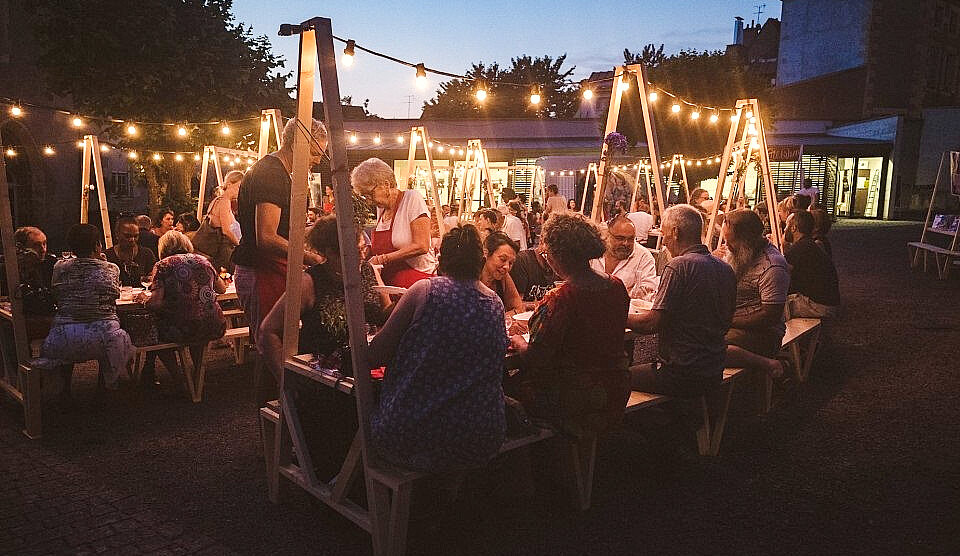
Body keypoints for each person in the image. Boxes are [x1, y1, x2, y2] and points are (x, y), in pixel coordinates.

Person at [366, 224, 508, 472]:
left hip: (415, 435)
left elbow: (375, 354)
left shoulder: (425, 291)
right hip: (480, 436)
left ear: (441, 259)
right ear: (481, 261)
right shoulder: (494, 302)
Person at [507, 214, 630, 437]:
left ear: (557, 255)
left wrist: (517, 342)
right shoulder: (616, 286)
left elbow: (537, 357)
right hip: (615, 391)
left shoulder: (561, 298)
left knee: (507, 390)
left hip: (576, 399)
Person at [232, 117, 327, 342]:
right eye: (315, 153)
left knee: (279, 341)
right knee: (272, 341)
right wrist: (311, 258)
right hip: (261, 271)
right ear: (296, 145)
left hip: (269, 268)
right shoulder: (271, 174)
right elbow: (266, 237)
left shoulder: (279, 171)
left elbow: (285, 231)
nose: (318, 160)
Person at [259, 214, 387, 379]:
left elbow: (385, 313)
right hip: (328, 374)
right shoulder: (309, 282)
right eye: (355, 251)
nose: (362, 256)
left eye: (363, 248)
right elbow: (268, 331)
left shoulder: (369, 270)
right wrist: (286, 382)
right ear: (331, 253)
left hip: (369, 365)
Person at [627, 205, 736, 396]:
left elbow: (652, 323)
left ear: (675, 232)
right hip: (713, 368)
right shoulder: (725, 268)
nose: (664, 242)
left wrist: (615, 314)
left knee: (615, 377)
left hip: (682, 372)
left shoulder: (679, 265)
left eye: (664, 234)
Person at [41, 224, 134, 402]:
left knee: (72, 334)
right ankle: (104, 388)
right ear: (97, 245)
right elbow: (115, 293)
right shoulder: (112, 268)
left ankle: (64, 389)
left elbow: (56, 290)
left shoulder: (60, 267)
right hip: (103, 339)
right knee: (115, 334)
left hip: (63, 339)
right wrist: (104, 262)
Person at [141, 230, 226, 391]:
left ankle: (179, 378)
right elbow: (221, 289)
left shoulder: (163, 265)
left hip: (182, 328)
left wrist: (144, 300)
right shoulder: (204, 261)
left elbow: (156, 304)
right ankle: (197, 377)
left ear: (163, 248)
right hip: (213, 325)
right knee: (196, 324)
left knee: (157, 337)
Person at [718, 209, 789, 378]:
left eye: (731, 242)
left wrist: (728, 322)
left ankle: (767, 364)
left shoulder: (772, 266)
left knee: (705, 349)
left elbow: (770, 316)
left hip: (763, 334)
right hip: (734, 325)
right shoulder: (741, 253)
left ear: (746, 240)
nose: (727, 247)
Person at [352, 158, 436, 288]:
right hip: (388, 281)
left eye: (370, 194)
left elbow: (422, 246)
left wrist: (382, 259)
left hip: (416, 281)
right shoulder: (381, 208)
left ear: (385, 184)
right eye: (365, 196)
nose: (368, 201)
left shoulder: (412, 198)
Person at [783, 211, 840, 318]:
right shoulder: (808, 244)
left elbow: (781, 278)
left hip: (820, 307)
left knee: (775, 305)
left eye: (787, 225)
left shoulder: (799, 248)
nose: (785, 229)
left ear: (794, 228)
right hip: (828, 303)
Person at [590, 216, 658, 299]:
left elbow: (648, 290)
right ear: (608, 235)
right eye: (620, 238)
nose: (625, 243)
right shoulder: (593, 250)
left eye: (630, 239)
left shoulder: (644, 257)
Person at [105, 217, 157, 287]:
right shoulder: (108, 256)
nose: (132, 239)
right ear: (117, 234)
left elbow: (154, 279)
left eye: (136, 236)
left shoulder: (147, 254)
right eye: (127, 236)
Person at [480, 232, 524, 314]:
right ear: (486, 253)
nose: (507, 267)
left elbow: (519, 308)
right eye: (503, 259)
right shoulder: (471, 276)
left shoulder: (503, 276)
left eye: (511, 263)